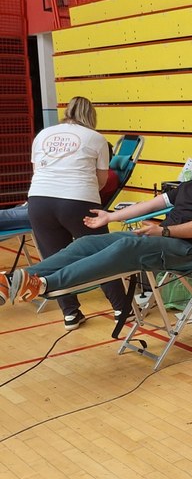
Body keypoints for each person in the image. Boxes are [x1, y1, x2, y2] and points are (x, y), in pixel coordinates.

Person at [0, 141, 192, 312]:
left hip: (189, 250)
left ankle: (45, 284)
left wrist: (163, 231)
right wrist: (109, 218)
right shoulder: (188, 186)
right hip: (161, 240)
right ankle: (13, 280)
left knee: (127, 245)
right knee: (87, 242)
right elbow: (149, 205)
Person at [24, 97, 128, 330]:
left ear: (67, 112)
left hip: (39, 201)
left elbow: (37, 171)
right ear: (91, 116)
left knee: (54, 259)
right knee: (102, 254)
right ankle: (122, 308)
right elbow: (102, 180)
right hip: (77, 199)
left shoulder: (42, 135)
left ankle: (70, 313)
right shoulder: (96, 138)